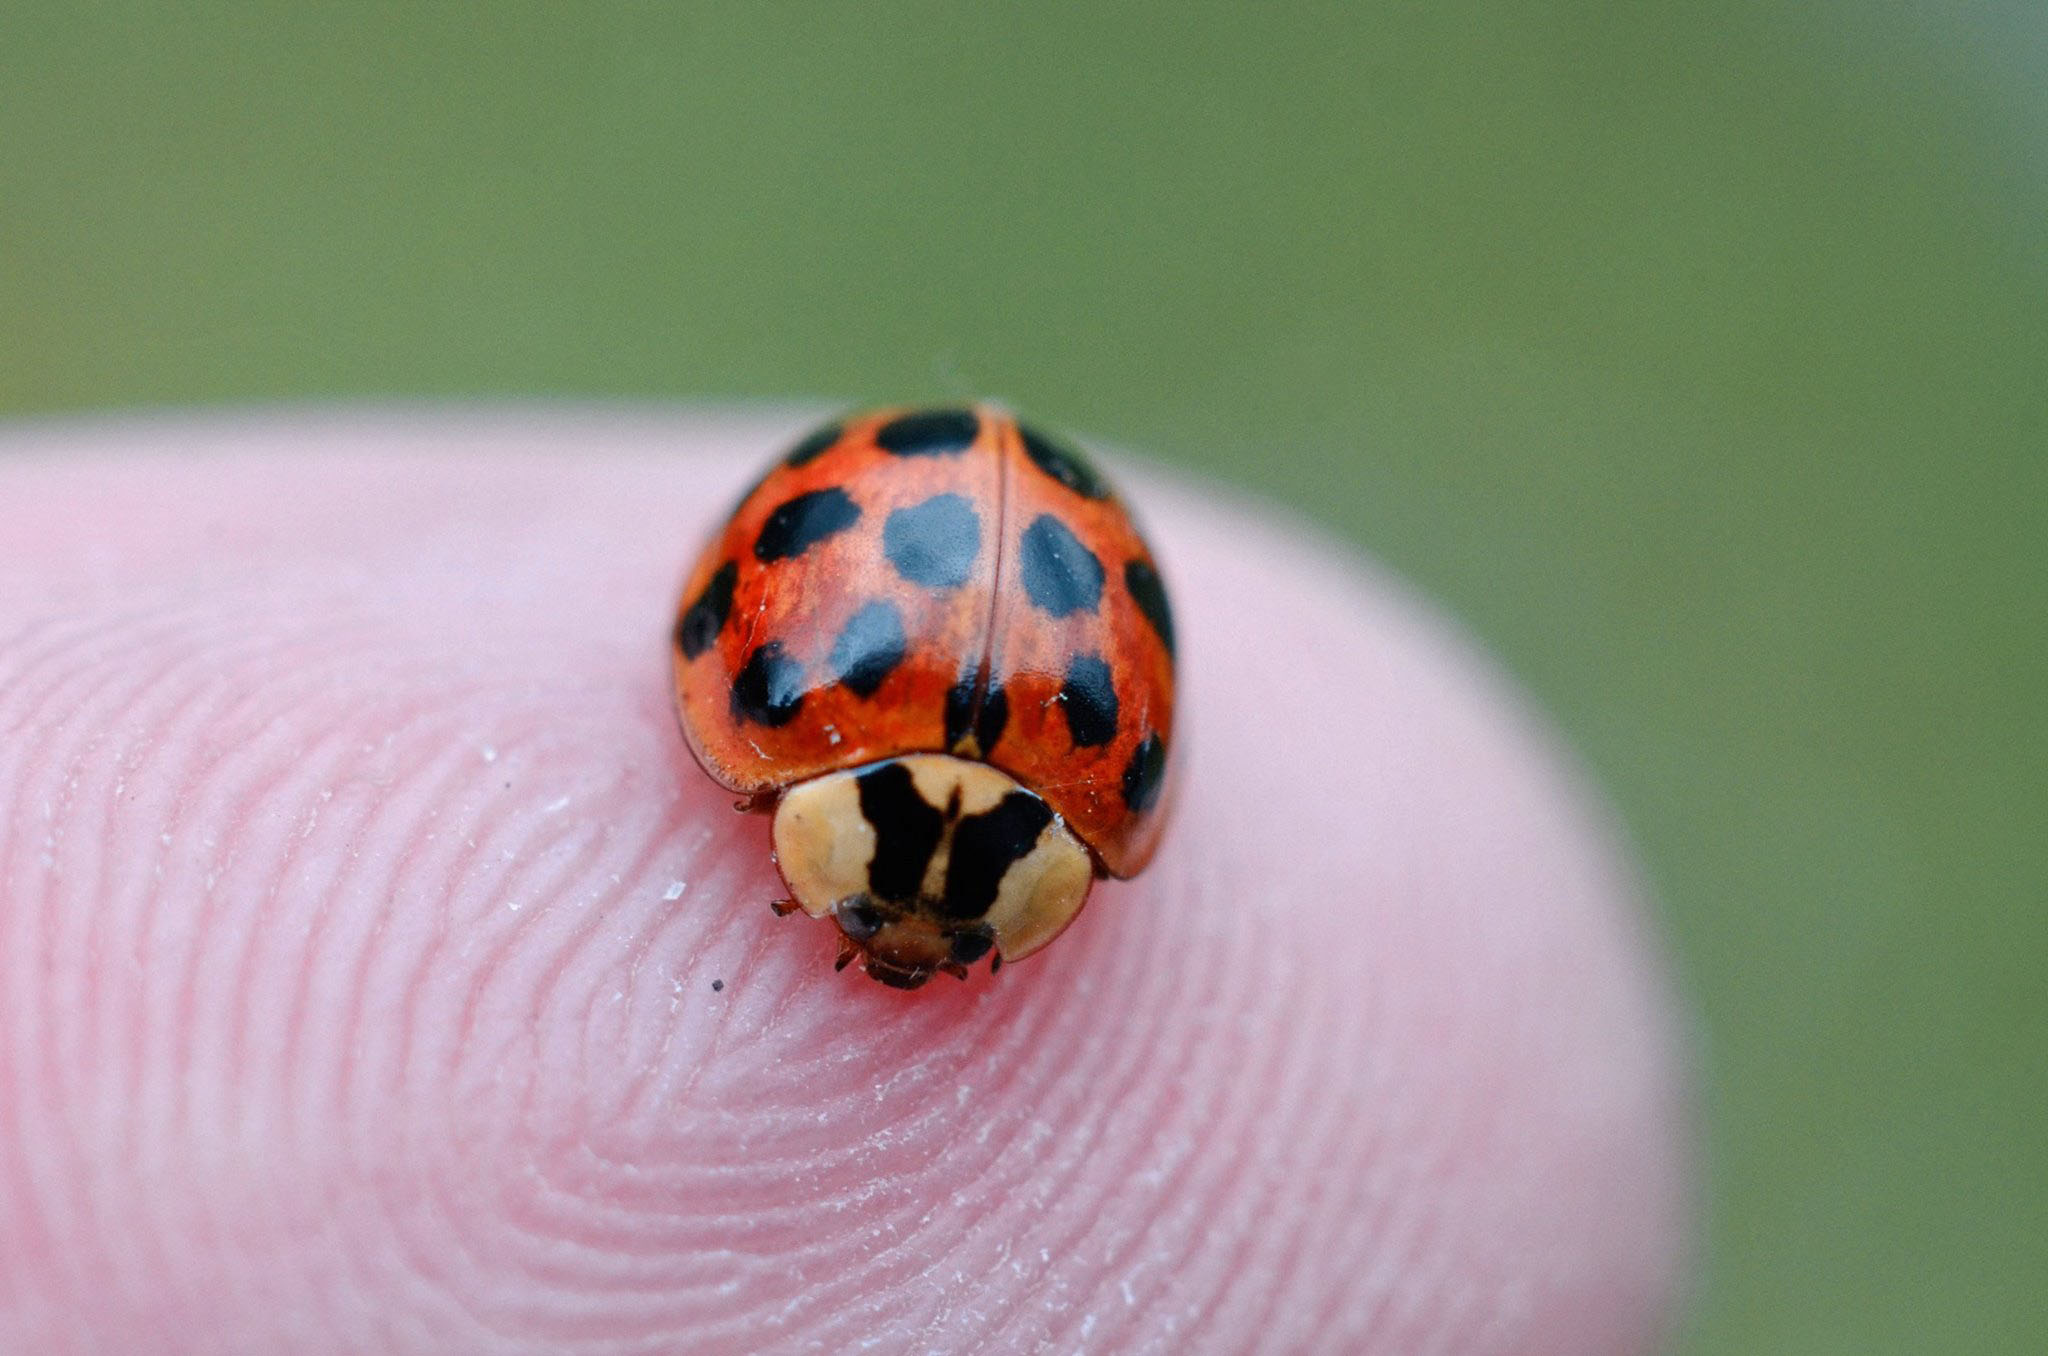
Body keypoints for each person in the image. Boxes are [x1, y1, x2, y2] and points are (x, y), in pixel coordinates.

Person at [0, 411, 1688, 1353]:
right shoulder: (866, 748)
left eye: (900, 914)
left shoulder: (825, 730)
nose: (904, 938)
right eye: (918, 915)